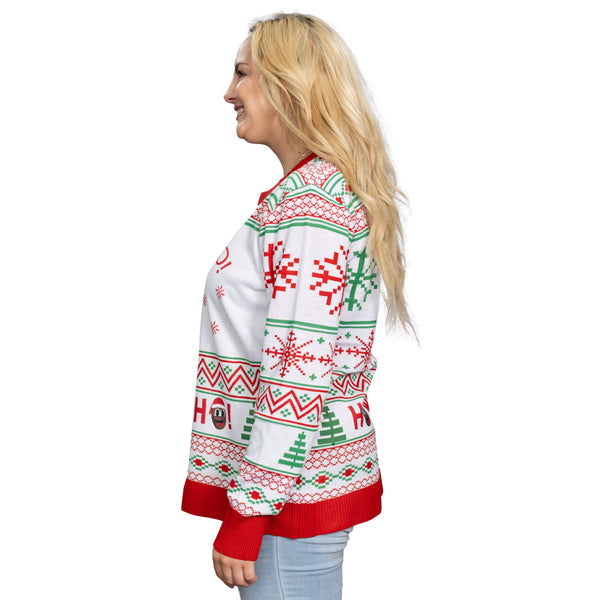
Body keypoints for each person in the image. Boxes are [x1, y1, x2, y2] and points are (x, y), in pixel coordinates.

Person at [181, 13, 415, 599]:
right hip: (296, 487)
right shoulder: (315, 196)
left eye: (242, 74)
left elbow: (298, 366)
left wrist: (249, 513)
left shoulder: (310, 208)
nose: (229, 92)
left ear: (289, 84)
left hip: (288, 503)